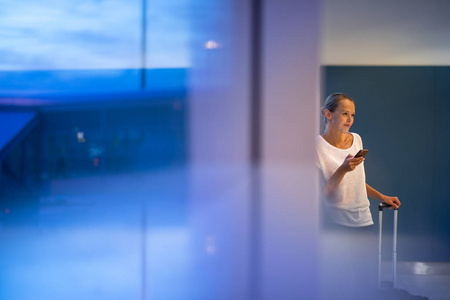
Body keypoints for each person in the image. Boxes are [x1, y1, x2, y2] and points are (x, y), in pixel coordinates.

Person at [315, 92, 401, 300]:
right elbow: (323, 194)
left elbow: (356, 181)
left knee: (367, 282)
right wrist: (343, 169)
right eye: (344, 113)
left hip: (364, 220)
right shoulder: (317, 147)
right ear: (328, 113)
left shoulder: (357, 140)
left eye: (352, 115)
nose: (350, 120)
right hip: (336, 223)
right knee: (340, 285)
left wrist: (382, 197)